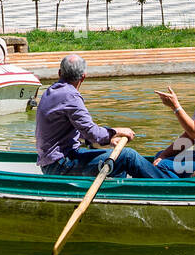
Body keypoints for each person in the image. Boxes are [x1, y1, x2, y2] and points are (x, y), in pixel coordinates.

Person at [34, 54, 173, 179]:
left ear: (59, 73)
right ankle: (169, 186)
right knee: (128, 156)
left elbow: (79, 132)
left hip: (53, 163)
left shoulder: (50, 91)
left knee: (117, 162)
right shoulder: (71, 96)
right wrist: (117, 131)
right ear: (83, 76)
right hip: (61, 165)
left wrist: (109, 140)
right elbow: (93, 133)